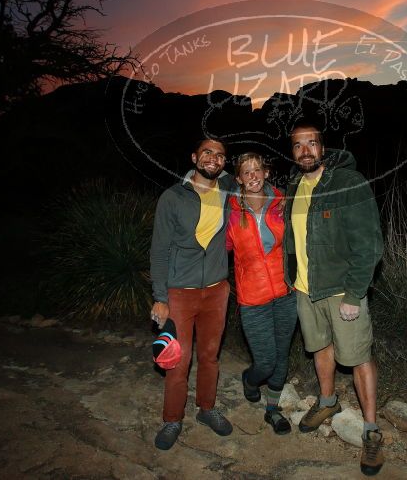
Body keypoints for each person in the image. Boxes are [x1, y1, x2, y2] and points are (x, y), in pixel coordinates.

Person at [283, 124, 385, 476]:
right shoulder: (293, 187)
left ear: (323, 148)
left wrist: (355, 293)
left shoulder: (347, 182)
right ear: (293, 152)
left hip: (343, 290)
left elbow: (369, 243)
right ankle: (327, 402)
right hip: (305, 289)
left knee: (357, 357)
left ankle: (371, 430)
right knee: (320, 348)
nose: (305, 151)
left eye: (312, 143)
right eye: (298, 146)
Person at [149, 137, 235, 451]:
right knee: (177, 360)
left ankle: (207, 409)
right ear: (195, 156)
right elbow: (158, 251)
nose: (214, 159)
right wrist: (160, 297)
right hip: (179, 293)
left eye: (221, 155)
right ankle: (173, 419)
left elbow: (256, 178)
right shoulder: (172, 198)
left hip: (216, 290)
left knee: (210, 356)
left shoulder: (227, 188)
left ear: (225, 163)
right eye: (208, 152)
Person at [225, 152, 297, 434]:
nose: (253, 175)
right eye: (246, 172)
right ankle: (250, 380)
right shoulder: (230, 210)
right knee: (265, 361)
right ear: (239, 178)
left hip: (285, 293)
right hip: (252, 297)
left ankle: (273, 410)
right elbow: (222, 251)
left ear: (266, 172)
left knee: (282, 355)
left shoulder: (282, 203)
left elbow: (298, 239)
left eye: (258, 170)